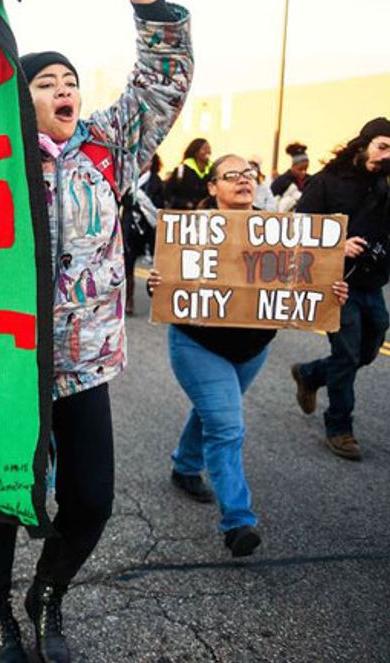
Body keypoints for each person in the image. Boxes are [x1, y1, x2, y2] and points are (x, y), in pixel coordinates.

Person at [0, 0, 193, 663]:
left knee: (91, 500)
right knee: (3, 496)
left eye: (70, 81)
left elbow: (161, 87)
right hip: (7, 362)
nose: (64, 89)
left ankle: (48, 593)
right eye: (46, 81)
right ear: (20, 95)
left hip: (84, 363)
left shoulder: (107, 148)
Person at [146, 155, 348, 557]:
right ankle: (238, 521)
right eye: (231, 175)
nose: (242, 180)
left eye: (248, 174)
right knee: (226, 425)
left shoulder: (283, 231)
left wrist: (331, 291)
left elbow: (304, 278)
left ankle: (186, 467)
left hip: (252, 349)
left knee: (214, 411)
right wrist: (159, 284)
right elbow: (169, 282)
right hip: (198, 346)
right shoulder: (189, 230)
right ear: (212, 187)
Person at [290, 117, 390, 461]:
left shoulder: (384, 184)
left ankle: (310, 373)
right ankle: (340, 427)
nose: (386, 156)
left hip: (372, 282)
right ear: (362, 145)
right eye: (382, 147)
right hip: (336, 283)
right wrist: (337, 244)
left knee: (368, 349)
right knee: (347, 353)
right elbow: (298, 229)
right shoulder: (327, 182)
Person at [121, 153, 164, 315]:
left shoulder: (156, 181)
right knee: (128, 263)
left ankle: (158, 298)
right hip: (129, 224)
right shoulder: (128, 179)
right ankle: (129, 299)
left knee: (155, 264)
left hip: (149, 226)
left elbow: (160, 204)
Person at [163, 137, 211, 210]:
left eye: (209, 148)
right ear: (196, 152)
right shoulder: (181, 170)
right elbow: (168, 194)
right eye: (204, 149)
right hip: (184, 213)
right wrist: (186, 204)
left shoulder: (213, 171)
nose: (208, 151)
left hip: (206, 214)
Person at [272, 142, 311, 212]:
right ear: (293, 167)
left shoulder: (310, 180)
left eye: (306, 169)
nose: (303, 172)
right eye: (300, 169)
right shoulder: (281, 181)